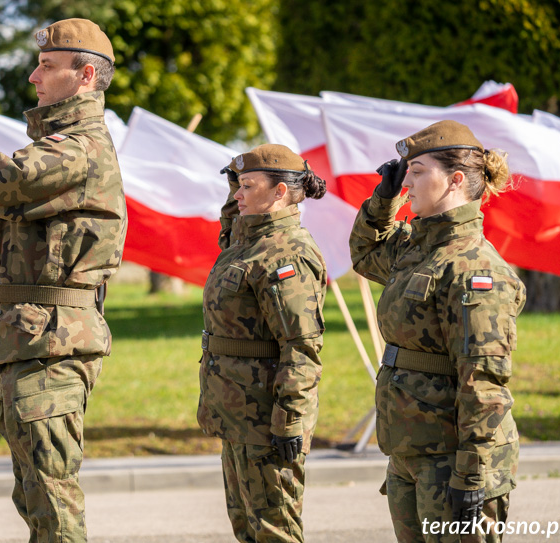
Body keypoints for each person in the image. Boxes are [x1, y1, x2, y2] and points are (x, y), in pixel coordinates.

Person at [0, 18, 126, 542]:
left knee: (51, 502)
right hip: (29, 340)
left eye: (47, 65)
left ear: (84, 76)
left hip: (51, 344)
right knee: (36, 498)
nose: (33, 76)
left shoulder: (79, 149)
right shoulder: (57, 147)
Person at [349, 120, 524, 542]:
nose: (406, 178)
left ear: (456, 180)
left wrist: (473, 476)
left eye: (419, 170)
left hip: (452, 459)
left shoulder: (475, 268)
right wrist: (383, 198)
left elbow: (483, 382)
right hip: (412, 449)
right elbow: (365, 252)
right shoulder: (416, 248)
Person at [197, 144, 327, 543]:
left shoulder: (287, 254)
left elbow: (301, 347)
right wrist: (236, 185)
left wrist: (289, 420)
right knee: (247, 531)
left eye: (248, 186)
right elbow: (231, 222)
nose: (237, 194)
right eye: (236, 185)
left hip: (267, 419)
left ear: (280, 193)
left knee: (274, 533)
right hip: (237, 412)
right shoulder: (247, 244)